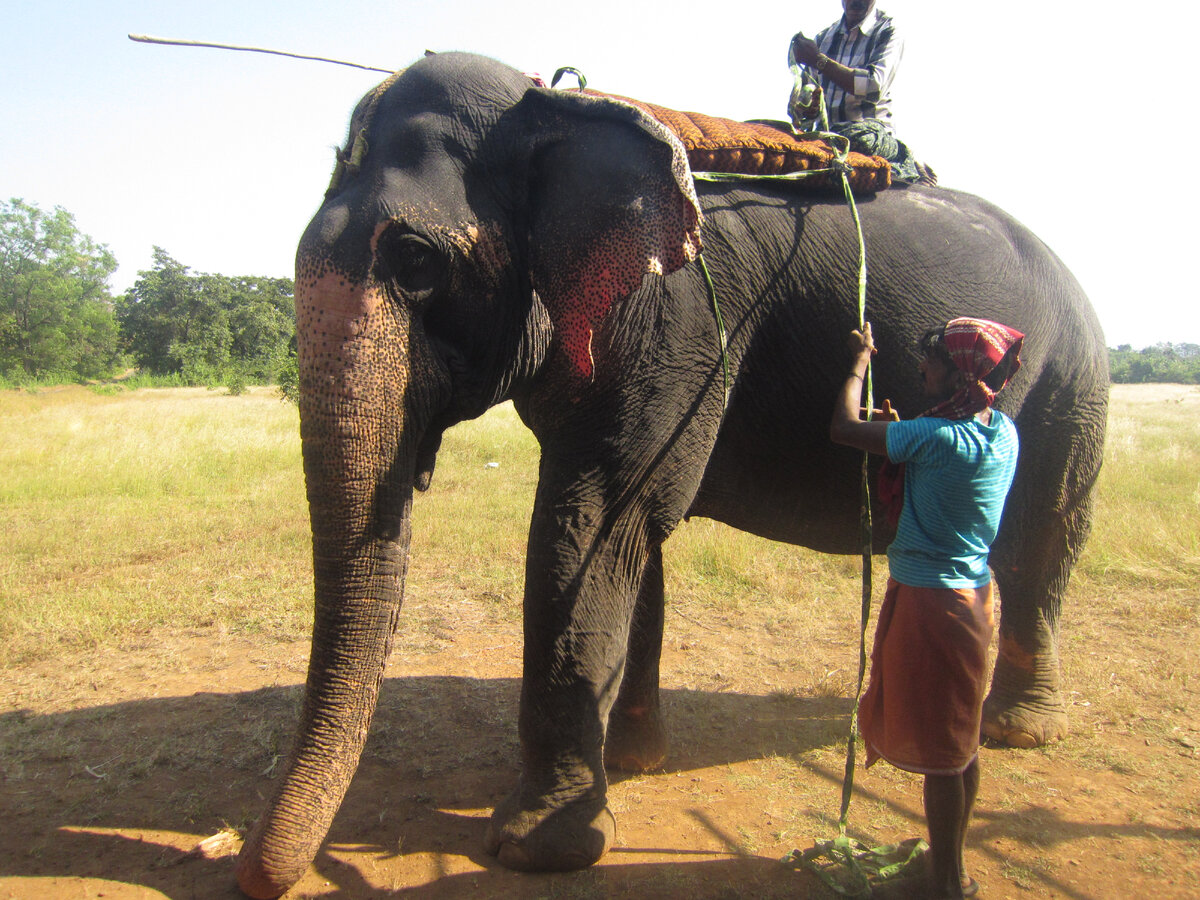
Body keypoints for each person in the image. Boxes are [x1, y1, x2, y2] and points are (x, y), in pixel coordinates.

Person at [829, 317, 1024, 898]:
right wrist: (904, 432)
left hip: (931, 606)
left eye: (932, 363)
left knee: (943, 754)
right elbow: (933, 453)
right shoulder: (1002, 432)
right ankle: (950, 864)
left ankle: (944, 885)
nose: (921, 370)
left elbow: (841, 427)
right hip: (972, 599)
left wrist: (860, 361)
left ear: (958, 371)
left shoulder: (934, 438)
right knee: (961, 743)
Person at [788, 0, 936, 185]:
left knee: (858, 140)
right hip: (828, 137)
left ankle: (902, 154)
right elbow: (799, 105)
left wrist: (818, 60)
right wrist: (808, 107)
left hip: (868, 133)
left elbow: (873, 86)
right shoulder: (823, 38)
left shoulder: (887, 31)